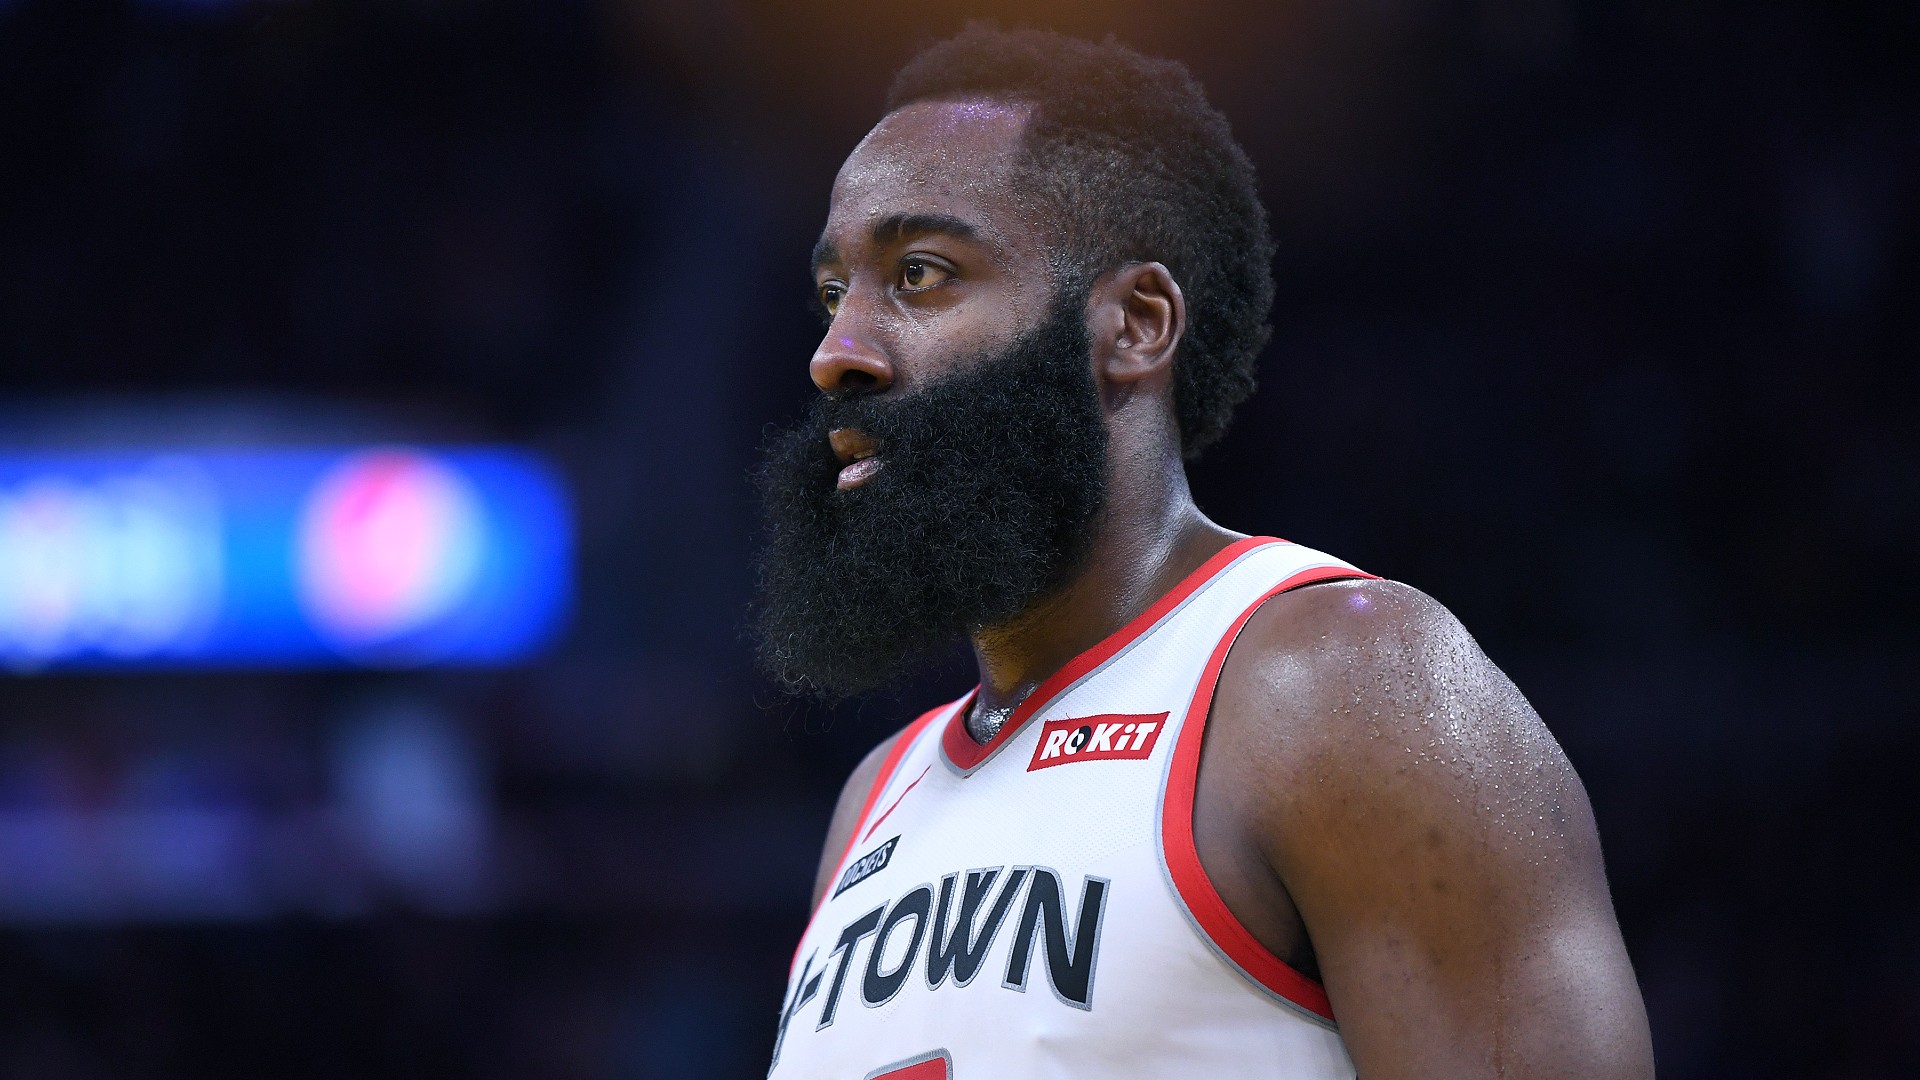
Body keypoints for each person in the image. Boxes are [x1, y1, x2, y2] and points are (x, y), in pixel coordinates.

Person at [752, 24, 1654, 1080]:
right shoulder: (876, 799)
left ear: (1135, 324)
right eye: (835, 293)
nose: (836, 354)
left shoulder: (1346, 684)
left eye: (920, 273)